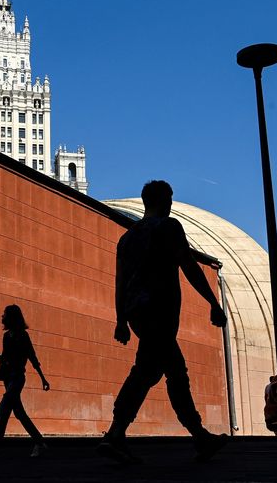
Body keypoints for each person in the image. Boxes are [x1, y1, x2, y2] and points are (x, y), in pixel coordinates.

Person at [97, 180, 228, 464]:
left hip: (137, 313)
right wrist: (213, 302)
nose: (170, 204)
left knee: (153, 370)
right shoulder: (168, 227)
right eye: (169, 199)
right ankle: (118, 434)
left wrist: (121, 320)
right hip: (160, 310)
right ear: (163, 200)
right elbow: (189, 266)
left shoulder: (127, 238)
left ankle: (195, 437)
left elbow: (120, 283)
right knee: (167, 372)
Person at [0, 304, 50, 459]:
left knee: (3, 409)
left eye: (5, 314)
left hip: (17, 378)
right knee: (19, 413)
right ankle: (39, 442)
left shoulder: (23, 336)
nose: (2, 316)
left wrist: (43, 379)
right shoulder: (6, 336)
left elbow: (32, 357)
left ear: (12, 317)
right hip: (8, 378)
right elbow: (6, 359)